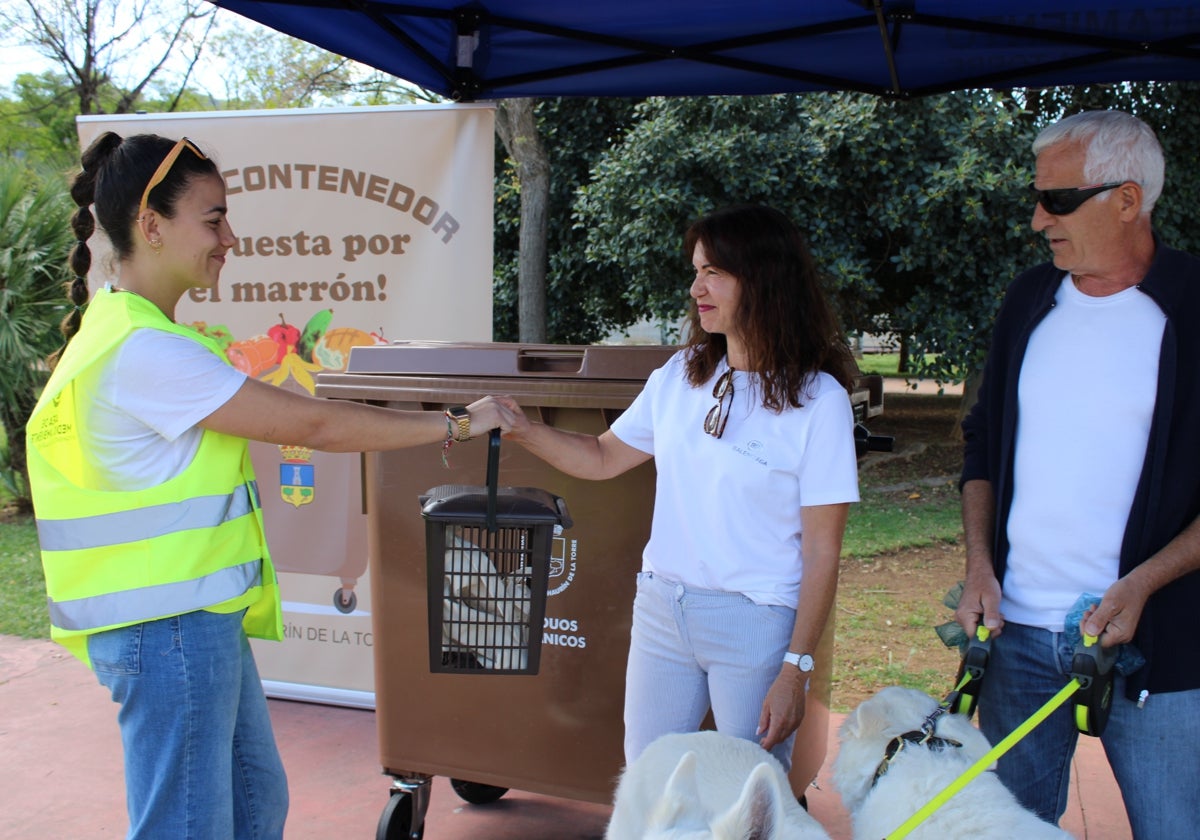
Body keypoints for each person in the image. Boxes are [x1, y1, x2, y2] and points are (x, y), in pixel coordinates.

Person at [24, 132, 509, 840]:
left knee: (254, 806)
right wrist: (459, 425)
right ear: (152, 225)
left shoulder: (125, 332)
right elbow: (316, 424)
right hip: (170, 630)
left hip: (187, 622)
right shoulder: (142, 349)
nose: (229, 239)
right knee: (188, 826)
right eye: (213, 219)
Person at [487, 204, 860, 771]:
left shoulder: (820, 400)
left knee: (749, 797)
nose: (696, 289)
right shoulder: (680, 374)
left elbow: (822, 550)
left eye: (712, 272)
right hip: (664, 608)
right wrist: (523, 430)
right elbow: (603, 456)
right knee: (650, 784)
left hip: (756, 621)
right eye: (695, 271)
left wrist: (796, 667)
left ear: (761, 278)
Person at [956, 110, 1200, 837]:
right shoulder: (1030, 300)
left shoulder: (1192, 307)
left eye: (1057, 200)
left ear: (1129, 199)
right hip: (1017, 635)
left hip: (1160, 642)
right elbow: (981, 448)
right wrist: (977, 567)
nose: (1037, 220)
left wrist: (1145, 582)